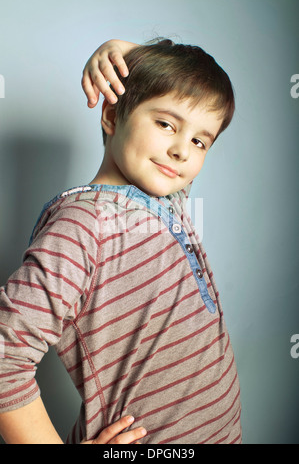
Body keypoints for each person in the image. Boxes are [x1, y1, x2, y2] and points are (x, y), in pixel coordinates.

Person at [0, 38, 241, 444]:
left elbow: (171, 112)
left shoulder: (166, 199)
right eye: (166, 124)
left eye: (201, 141)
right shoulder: (83, 224)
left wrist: (121, 52)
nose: (182, 150)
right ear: (111, 114)